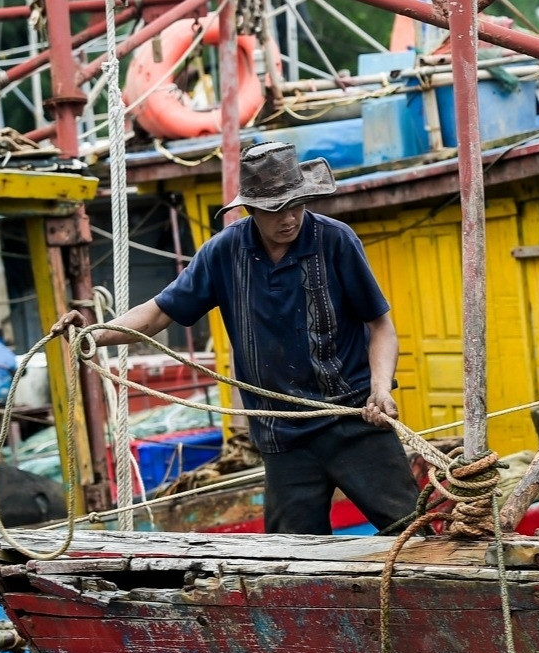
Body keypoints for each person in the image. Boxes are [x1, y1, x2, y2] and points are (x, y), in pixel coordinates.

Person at [55, 141, 418, 534]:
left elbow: (380, 325)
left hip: (353, 420)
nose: (289, 218)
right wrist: (92, 333)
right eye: (274, 209)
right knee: (290, 562)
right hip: (282, 434)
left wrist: (380, 389)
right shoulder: (223, 253)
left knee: (412, 532)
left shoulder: (336, 241)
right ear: (249, 209)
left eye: (296, 204)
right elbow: (159, 312)